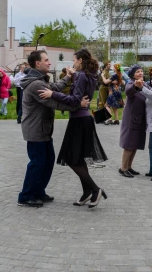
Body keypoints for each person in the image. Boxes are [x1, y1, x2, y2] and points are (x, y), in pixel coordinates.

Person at [17, 50, 89, 208]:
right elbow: (53, 102)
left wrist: (68, 77)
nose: (50, 63)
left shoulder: (40, 79)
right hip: (36, 130)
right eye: (47, 60)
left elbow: (54, 88)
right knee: (37, 163)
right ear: (38, 63)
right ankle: (26, 196)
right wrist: (78, 105)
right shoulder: (36, 84)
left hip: (43, 129)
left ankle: (38, 191)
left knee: (48, 161)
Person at [38, 48, 108, 208]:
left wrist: (52, 94)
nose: (73, 63)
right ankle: (87, 193)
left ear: (81, 61)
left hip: (79, 120)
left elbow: (75, 99)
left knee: (70, 159)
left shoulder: (82, 75)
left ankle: (95, 189)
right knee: (78, 158)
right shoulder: (89, 75)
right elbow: (80, 92)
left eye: (74, 60)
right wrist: (73, 75)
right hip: (84, 119)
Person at [118, 64, 146, 178]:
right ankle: (123, 168)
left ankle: (129, 167)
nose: (140, 73)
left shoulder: (144, 84)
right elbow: (129, 91)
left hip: (139, 118)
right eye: (138, 71)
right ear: (133, 74)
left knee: (134, 144)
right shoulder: (131, 83)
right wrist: (135, 85)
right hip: (131, 119)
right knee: (129, 144)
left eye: (141, 71)